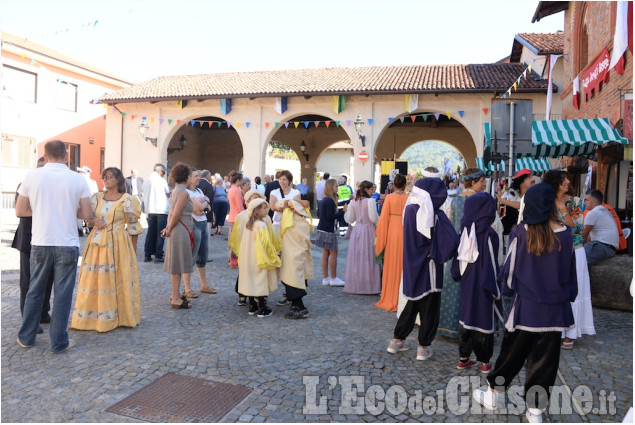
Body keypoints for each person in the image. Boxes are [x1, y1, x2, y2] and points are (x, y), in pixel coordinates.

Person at [473, 183, 578, 424]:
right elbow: (570, 274)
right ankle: (536, 411)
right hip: (555, 311)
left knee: (511, 355)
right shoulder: (565, 233)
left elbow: (509, 271)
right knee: (546, 361)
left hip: (526, 309)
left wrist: (508, 290)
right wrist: (567, 295)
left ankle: (494, 394)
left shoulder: (522, 232)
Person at [16, 140, 92, 352]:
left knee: (35, 291)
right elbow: (87, 214)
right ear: (66, 156)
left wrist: (41, 210)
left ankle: (27, 337)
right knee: (63, 294)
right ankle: (58, 342)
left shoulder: (32, 175)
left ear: (45, 155)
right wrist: (69, 210)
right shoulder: (78, 179)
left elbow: (20, 210)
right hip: (67, 243)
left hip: (41, 241)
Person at [386, 178, 459, 361]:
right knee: (430, 307)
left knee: (413, 302)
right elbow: (451, 239)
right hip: (430, 266)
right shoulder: (432, 212)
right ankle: (423, 347)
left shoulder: (409, 209)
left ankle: (396, 340)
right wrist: (438, 253)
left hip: (412, 264)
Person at [70, 167, 143, 332]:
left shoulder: (128, 200)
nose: (105, 180)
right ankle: (89, 319)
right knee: (92, 279)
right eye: (104, 177)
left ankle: (118, 318)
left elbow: (133, 226)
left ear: (118, 179)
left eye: (109, 177)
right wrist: (95, 221)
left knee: (117, 278)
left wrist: (133, 251)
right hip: (96, 245)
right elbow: (88, 220)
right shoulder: (96, 198)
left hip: (118, 244)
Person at [542, 169, 595, 351]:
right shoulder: (546, 201)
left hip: (574, 249)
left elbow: (578, 226)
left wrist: (564, 211)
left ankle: (569, 334)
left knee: (574, 290)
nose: (567, 183)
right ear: (556, 182)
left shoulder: (573, 202)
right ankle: (554, 328)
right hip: (553, 250)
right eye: (564, 180)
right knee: (555, 289)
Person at [450, 192, 501, 372]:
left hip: (467, 281)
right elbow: (492, 264)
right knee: (482, 320)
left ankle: (463, 358)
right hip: (483, 283)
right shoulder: (489, 234)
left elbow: (458, 257)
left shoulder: (465, 229)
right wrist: (496, 290)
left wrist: (457, 274)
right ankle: (485, 362)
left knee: (466, 318)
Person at [438, 168, 487, 339]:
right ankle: (473, 324)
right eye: (482, 181)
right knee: (475, 282)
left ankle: (450, 326)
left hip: (460, 243)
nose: (485, 183)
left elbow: (450, 223)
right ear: (473, 182)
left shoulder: (455, 200)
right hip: (476, 243)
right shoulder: (481, 200)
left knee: (454, 281)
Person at [12, 156, 53, 331]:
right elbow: (20, 210)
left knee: (48, 279)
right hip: (29, 238)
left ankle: (43, 312)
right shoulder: (26, 184)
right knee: (28, 281)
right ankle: (30, 321)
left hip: (50, 238)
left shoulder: (53, 185)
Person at [238, 198, 281, 318]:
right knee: (260, 281)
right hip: (259, 257)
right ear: (256, 211)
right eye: (263, 208)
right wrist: (274, 257)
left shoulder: (249, 224)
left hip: (248, 258)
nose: (267, 209)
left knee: (251, 280)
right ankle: (262, 307)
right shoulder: (261, 225)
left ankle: (252, 305)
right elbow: (266, 244)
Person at [229, 189, 271, 306]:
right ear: (247, 201)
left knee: (258, 274)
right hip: (245, 249)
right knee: (244, 273)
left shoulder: (266, 218)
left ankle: (258, 298)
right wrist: (237, 250)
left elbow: (270, 235)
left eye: (258, 198)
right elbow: (236, 235)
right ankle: (243, 295)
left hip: (259, 250)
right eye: (253, 198)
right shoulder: (241, 216)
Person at [161, 163, 194, 309]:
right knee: (178, 265)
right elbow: (176, 213)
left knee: (177, 263)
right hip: (181, 229)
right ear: (186, 177)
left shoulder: (175, 191)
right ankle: (175, 296)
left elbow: (171, 213)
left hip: (177, 228)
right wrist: (169, 229)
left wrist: (168, 228)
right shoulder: (183, 192)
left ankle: (176, 293)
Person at [375, 173, 409, 312]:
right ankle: (402, 298)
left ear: (394, 185)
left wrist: (380, 239)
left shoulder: (389, 198)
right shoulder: (409, 197)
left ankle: (389, 296)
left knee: (391, 264)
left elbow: (383, 220)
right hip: (405, 232)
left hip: (392, 233)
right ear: (405, 185)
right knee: (403, 265)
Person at [343, 181, 381, 294]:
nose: (372, 191)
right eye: (370, 189)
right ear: (366, 189)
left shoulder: (352, 203)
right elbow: (374, 218)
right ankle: (370, 286)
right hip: (368, 230)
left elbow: (350, 219)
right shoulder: (370, 201)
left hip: (357, 230)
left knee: (357, 257)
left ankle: (357, 284)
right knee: (369, 256)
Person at [278, 200, 313, 319]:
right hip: (298, 256)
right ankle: (295, 305)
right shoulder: (303, 222)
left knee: (292, 282)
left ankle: (300, 308)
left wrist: (290, 203)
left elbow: (279, 205)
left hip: (292, 256)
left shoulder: (289, 221)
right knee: (295, 280)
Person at [186, 169, 216, 296]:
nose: (198, 178)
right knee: (191, 257)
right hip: (195, 225)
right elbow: (197, 208)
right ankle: (187, 288)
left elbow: (206, 204)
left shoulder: (198, 191)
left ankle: (204, 285)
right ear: (188, 178)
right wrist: (204, 204)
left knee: (203, 257)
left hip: (203, 224)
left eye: (198, 175)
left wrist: (204, 205)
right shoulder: (187, 192)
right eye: (195, 176)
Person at [314, 179, 347, 286]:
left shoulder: (324, 199)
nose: (337, 188)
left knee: (325, 252)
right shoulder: (329, 200)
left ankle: (326, 278)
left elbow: (320, 214)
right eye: (336, 186)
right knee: (333, 252)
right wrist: (343, 211)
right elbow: (330, 216)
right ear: (331, 187)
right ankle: (333, 278)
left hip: (322, 228)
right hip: (328, 230)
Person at [581, 189, 619, 266]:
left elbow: (583, 236)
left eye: (587, 200)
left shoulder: (593, 213)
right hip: (610, 248)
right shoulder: (605, 210)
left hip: (602, 247)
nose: (585, 203)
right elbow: (588, 237)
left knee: (577, 260)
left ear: (595, 201)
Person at [142, 164, 170, 263]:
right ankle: (158, 255)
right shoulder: (161, 181)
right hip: (161, 210)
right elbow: (167, 193)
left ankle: (147, 254)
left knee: (150, 232)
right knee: (161, 233)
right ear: (159, 171)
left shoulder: (147, 180)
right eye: (163, 172)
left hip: (150, 209)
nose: (163, 174)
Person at [496, 168, 535, 235]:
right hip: (511, 234)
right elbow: (521, 205)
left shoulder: (533, 196)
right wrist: (502, 200)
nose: (533, 179)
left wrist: (502, 200)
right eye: (529, 177)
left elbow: (521, 205)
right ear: (522, 183)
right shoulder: (511, 195)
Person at [227, 171, 245, 267]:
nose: (242, 182)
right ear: (238, 180)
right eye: (241, 180)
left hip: (231, 217)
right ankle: (234, 261)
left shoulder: (231, 189)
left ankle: (231, 259)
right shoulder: (237, 190)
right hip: (237, 218)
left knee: (232, 241)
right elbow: (240, 206)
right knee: (236, 241)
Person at [197, 170, 216, 237]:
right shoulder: (209, 185)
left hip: (196, 212)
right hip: (207, 213)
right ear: (207, 176)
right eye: (210, 176)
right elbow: (209, 199)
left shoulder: (197, 184)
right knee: (206, 236)